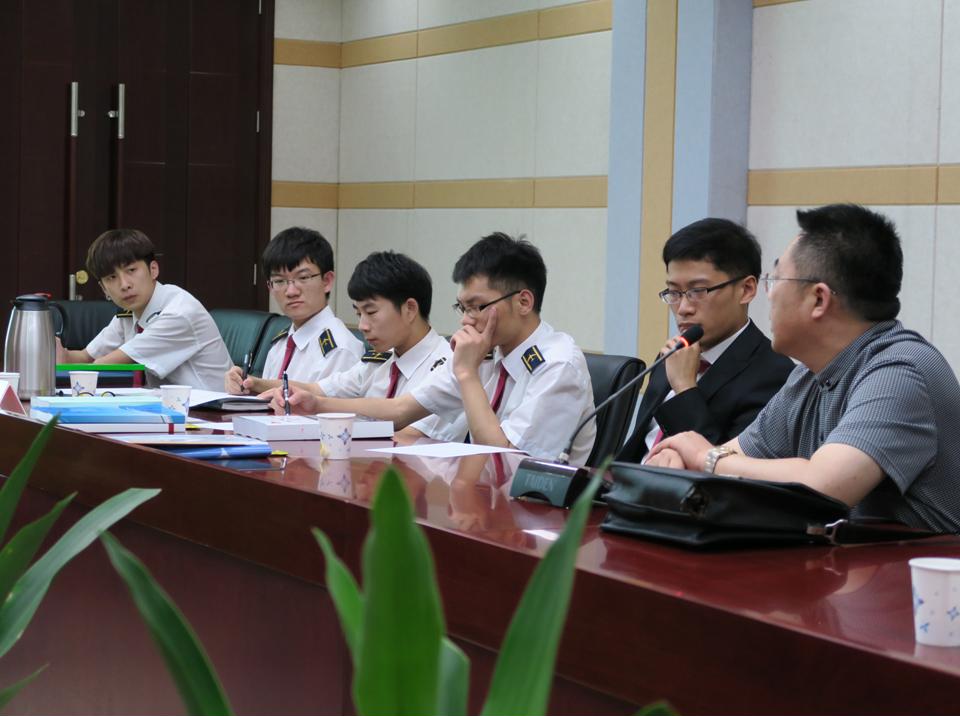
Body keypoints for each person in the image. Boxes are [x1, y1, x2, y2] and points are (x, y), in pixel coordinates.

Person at [648, 204, 960, 533]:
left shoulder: (899, 371)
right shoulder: (808, 376)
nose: (768, 296)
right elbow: (736, 456)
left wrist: (705, 459)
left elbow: (824, 486)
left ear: (818, 300)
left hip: (921, 565)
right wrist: (681, 457)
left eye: (774, 280)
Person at [268, 232, 597, 465]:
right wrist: (318, 403)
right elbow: (402, 410)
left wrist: (467, 374)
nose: (466, 320)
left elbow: (504, 460)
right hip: (484, 503)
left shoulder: (557, 365)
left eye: (477, 307)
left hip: (542, 518)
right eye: (462, 308)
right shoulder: (488, 351)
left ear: (523, 301)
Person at [618, 218, 794, 462]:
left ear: (746, 290)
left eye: (698, 291)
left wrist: (684, 388)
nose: (683, 308)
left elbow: (727, 470)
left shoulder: (775, 375)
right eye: (674, 292)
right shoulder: (672, 354)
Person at [283, 250, 466, 441]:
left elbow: (406, 436)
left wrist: (319, 406)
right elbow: (317, 390)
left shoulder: (448, 365)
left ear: (410, 309)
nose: (362, 326)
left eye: (371, 312)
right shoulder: (379, 361)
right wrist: (271, 389)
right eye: (358, 314)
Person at [56, 228, 231, 390]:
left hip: (211, 409)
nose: (124, 285)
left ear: (153, 270)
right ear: (103, 289)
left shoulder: (179, 312)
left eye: (131, 270)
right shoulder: (127, 314)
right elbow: (85, 357)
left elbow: (102, 366)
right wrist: (53, 348)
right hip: (172, 406)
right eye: (112, 277)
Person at [224, 227, 363, 394]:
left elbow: (325, 409)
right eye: (279, 281)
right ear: (269, 287)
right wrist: (245, 387)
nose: (291, 292)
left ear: (327, 281)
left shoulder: (339, 349)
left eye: (303, 278)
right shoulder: (280, 342)